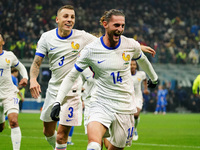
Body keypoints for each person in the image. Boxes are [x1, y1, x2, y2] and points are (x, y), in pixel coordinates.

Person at [29, 5, 156, 150]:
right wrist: (33, 79)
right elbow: (36, 63)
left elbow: (108, 39)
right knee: (48, 132)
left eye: (72, 17)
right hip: (53, 90)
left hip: (73, 92)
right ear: (57, 19)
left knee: (61, 136)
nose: (70, 20)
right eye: (66, 16)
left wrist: (137, 47)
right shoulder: (47, 37)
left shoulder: (82, 36)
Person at [0, 33, 28, 150]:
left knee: (13, 121)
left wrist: (25, 77)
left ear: (2, 42)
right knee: (1, 128)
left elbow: (20, 66)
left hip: (9, 93)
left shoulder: (9, 55)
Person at [130, 59, 149, 141]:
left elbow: (145, 80)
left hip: (138, 97)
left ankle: (134, 129)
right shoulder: (125, 74)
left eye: (134, 64)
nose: (132, 66)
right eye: (131, 64)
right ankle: (129, 130)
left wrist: (145, 89)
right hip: (128, 98)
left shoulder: (141, 74)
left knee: (136, 115)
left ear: (136, 65)